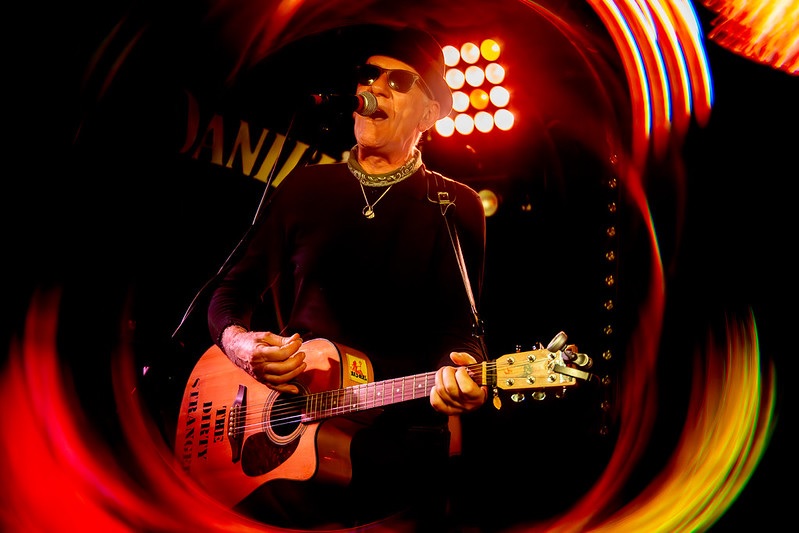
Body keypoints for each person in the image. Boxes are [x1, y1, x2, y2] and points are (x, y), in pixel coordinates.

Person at [206, 24, 488, 530]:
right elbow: (233, 289)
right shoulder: (306, 188)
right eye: (368, 75)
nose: (375, 88)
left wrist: (463, 372)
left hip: (396, 460)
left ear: (428, 114)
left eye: (397, 82)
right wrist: (238, 342)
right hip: (288, 457)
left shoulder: (453, 203)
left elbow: (461, 329)